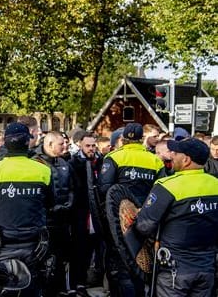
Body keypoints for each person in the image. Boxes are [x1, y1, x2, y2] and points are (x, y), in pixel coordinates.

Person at [0, 122, 52, 296]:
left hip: (0, 247)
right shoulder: (44, 171)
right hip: (34, 247)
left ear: (5, 142)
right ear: (28, 142)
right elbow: (51, 203)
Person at [135, 138, 218, 297]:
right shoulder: (215, 184)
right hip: (207, 269)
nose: (172, 156)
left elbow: (144, 226)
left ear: (186, 160)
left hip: (174, 272)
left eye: (176, 153)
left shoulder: (167, 186)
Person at [97, 123, 166, 297]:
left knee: (119, 263)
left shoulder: (114, 157)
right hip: (145, 221)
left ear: (123, 139)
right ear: (141, 138)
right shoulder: (155, 160)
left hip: (118, 221)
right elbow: (160, 191)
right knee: (141, 261)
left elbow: (105, 189)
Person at [33, 132, 74, 297]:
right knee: (46, 261)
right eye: (61, 144)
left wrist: (70, 201)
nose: (65, 147)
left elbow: (71, 186)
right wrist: (50, 208)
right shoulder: (36, 162)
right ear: (49, 144)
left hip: (63, 220)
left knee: (62, 258)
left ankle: (61, 289)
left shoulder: (64, 163)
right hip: (45, 221)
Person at [68, 132, 103, 295]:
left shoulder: (101, 161)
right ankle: (77, 283)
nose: (91, 148)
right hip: (80, 212)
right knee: (79, 249)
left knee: (95, 248)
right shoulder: (73, 162)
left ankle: (92, 278)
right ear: (80, 145)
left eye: (93, 145)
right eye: (87, 146)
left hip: (97, 211)